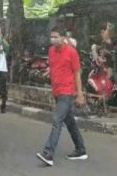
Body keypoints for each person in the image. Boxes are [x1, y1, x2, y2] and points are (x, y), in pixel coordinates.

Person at [37, 28, 87, 167]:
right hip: (57, 91)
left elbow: (77, 73)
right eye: (52, 37)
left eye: (56, 36)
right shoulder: (51, 51)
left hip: (67, 91)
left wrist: (80, 94)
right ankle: (81, 149)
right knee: (69, 121)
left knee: (57, 120)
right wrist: (48, 72)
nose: (53, 39)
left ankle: (48, 153)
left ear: (63, 37)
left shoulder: (71, 52)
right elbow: (54, 66)